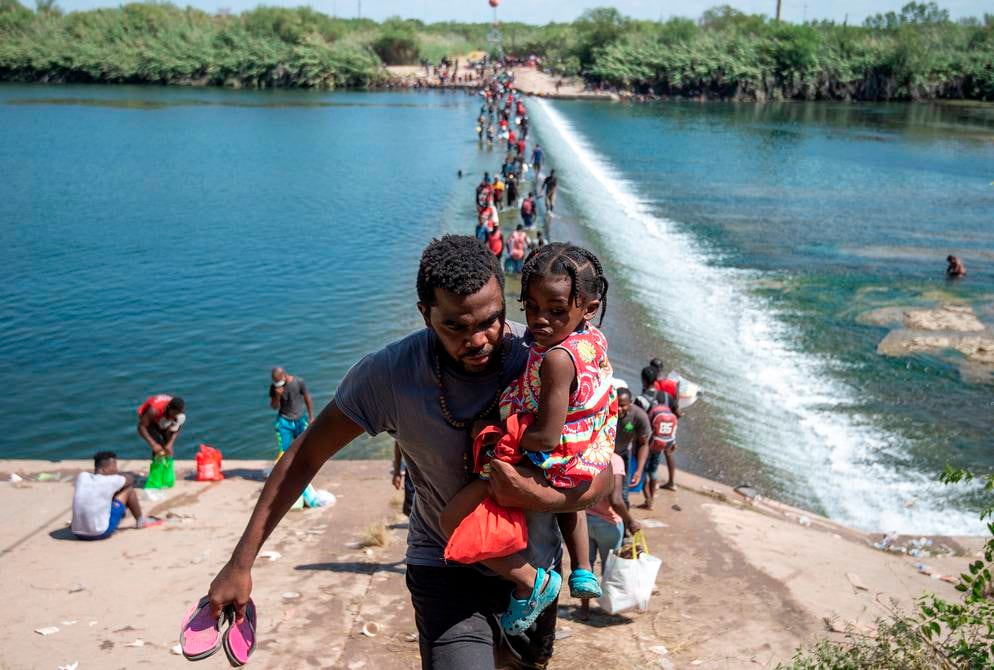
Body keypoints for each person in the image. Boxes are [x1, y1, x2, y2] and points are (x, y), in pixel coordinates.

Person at [206, 236, 611, 669]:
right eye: (456, 327)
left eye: (491, 320)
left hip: (535, 575)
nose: (479, 339)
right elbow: (305, 456)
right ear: (425, 314)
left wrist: (536, 496)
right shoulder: (388, 376)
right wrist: (241, 563)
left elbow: (600, 471)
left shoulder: (546, 357)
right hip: (444, 568)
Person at [440, 242, 616, 635]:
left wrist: (505, 440)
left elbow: (548, 437)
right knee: (570, 503)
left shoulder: (556, 359)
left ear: (588, 307)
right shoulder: (590, 339)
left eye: (556, 311)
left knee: (451, 519)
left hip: (548, 456)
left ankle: (531, 582)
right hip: (583, 454)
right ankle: (582, 569)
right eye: (531, 307)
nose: (539, 320)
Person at [579, 449, 640, 620]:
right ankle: (606, 605)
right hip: (609, 524)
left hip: (584, 520)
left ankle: (584, 610)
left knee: (585, 567)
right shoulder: (615, 460)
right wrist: (630, 521)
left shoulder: (585, 453)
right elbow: (616, 500)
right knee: (610, 568)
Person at [71, 451, 153, 540]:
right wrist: (122, 474)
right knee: (129, 490)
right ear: (105, 469)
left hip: (77, 533)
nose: (116, 470)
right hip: (100, 533)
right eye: (114, 466)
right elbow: (130, 479)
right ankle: (140, 521)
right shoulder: (112, 481)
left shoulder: (82, 477)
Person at [613, 387, 651, 508]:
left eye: (622, 405)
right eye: (616, 404)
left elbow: (644, 444)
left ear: (630, 403)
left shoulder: (639, 417)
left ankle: (624, 516)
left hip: (623, 454)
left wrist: (639, 470)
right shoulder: (606, 410)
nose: (618, 409)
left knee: (623, 493)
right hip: (604, 453)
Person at [136, 394, 185, 489]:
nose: (175, 416)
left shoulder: (179, 413)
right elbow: (141, 427)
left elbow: (178, 427)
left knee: (167, 449)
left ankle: (165, 478)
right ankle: (155, 480)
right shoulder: (153, 410)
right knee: (159, 450)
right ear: (169, 408)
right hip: (148, 422)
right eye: (174, 414)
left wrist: (170, 444)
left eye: (177, 415)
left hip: (164, 419)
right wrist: (153, 444)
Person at [640, 393, 679, 508]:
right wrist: (672, 444)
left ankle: (648, 500)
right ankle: (652, 498)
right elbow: (673, 432)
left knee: (643, 472)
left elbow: (646, 429)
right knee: (653, 472)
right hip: (661, 447)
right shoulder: (670, 413)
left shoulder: (654, 411)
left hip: (649, 446)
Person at [270, 368, 314, 455]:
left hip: (300, 419)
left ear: (284, 375)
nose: (279, 385)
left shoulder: (299, 382)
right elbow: (274, 407)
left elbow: (307, 398)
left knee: (305, 447)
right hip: (284, 421)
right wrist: (278, 396)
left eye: (280, 382)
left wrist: (311, 416)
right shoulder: (274, 387)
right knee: (283, 451)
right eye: (276, 383)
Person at [392, 442, 415, 517]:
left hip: (436, 468)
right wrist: (397, 471)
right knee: (410, 507)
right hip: (412, 467)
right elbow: (399, 441)